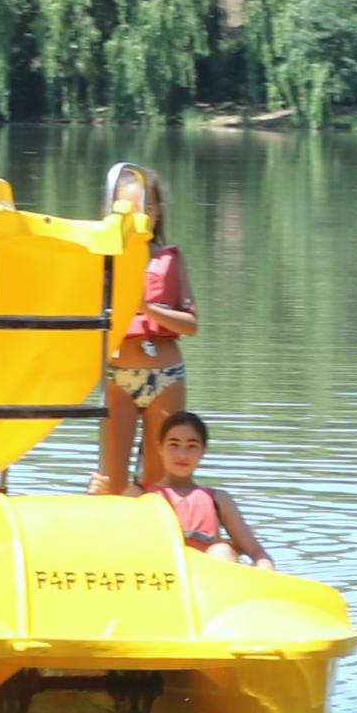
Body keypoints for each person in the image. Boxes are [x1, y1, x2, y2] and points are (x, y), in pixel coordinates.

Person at [94, 162, 197, 494]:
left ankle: (156, 534)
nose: (141, 216)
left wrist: (149, 308)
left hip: (165, 376)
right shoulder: (101, 258)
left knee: (158, 482)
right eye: (131, 208)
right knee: (111, 482)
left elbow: (192, 324)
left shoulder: (170, 258)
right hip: (118, 377)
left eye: (147, 207)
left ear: (157, 211)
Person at [149, 410, 271, 567]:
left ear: (203, 450)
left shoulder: (219, 500)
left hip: (208, 583)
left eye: (192, 446)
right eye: (174, 444)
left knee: (222, 551)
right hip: (156, 578)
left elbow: (257, 553)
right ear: (160, 448)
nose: (182, 454)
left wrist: (267, 571)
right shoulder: (138, 495)